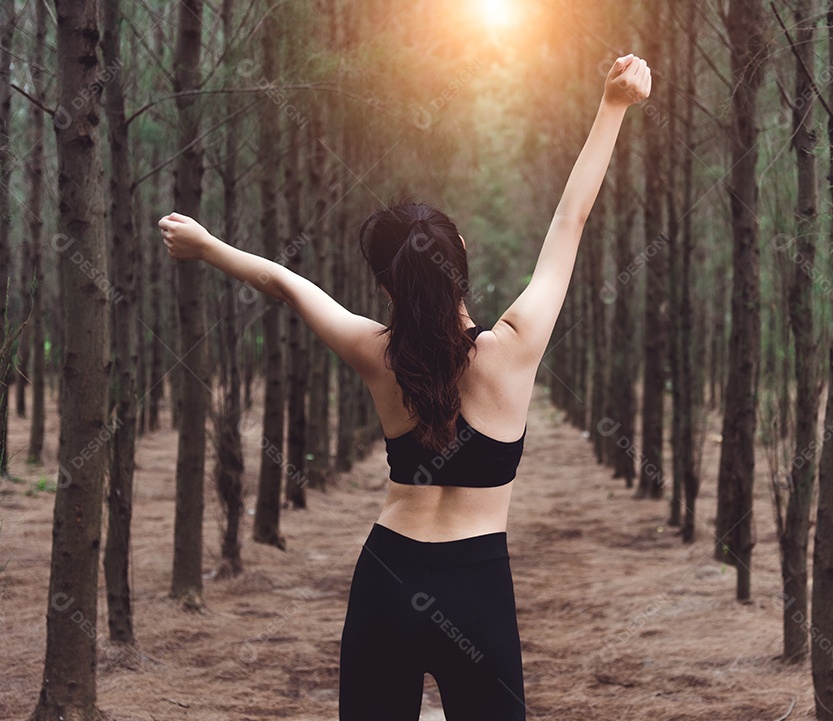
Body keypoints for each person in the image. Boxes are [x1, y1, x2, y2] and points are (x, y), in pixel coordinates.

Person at [159, 52, 650, 721]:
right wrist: (613, 105)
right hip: (476, 586)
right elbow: (571, 221)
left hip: (387, 577)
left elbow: (284, 282)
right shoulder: (514, 347)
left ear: (386, 285)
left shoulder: (375, 352)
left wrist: (206, 244)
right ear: (462, 255)